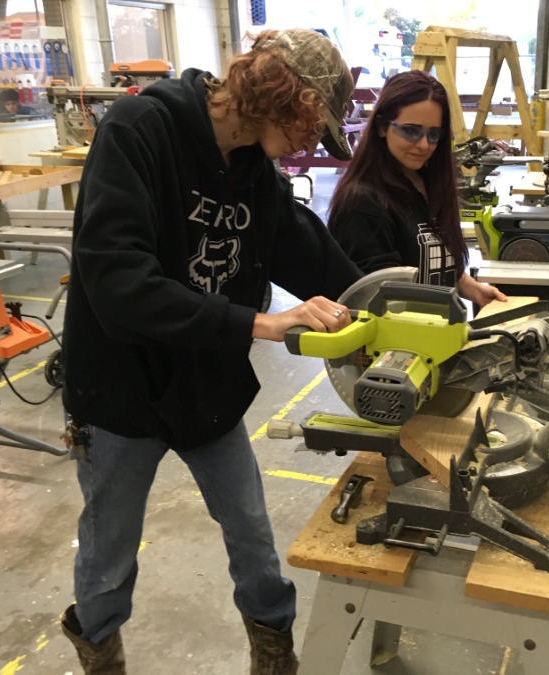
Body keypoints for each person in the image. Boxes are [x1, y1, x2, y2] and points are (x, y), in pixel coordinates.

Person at [60, 29, 362, 675]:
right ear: (285, 92)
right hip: (121, 389)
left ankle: (273, 653)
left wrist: (387, 303)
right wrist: (258, 321)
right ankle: (100, 655)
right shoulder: (140, 130)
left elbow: (311, 253)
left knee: (251, 531)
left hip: (204, 383)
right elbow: (119, 286)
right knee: (109, 556)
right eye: (314, 122)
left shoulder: (255, 167)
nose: (312, 143)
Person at [327, 70, 505, 307]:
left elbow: (424, 260)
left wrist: (470, 288)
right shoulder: (362, 202)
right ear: (382, 127)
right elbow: (377, 298)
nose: (423, 145)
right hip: (400, 341)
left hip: (436, 333)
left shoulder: (428, 182)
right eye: (410, 131)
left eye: (433, 134)